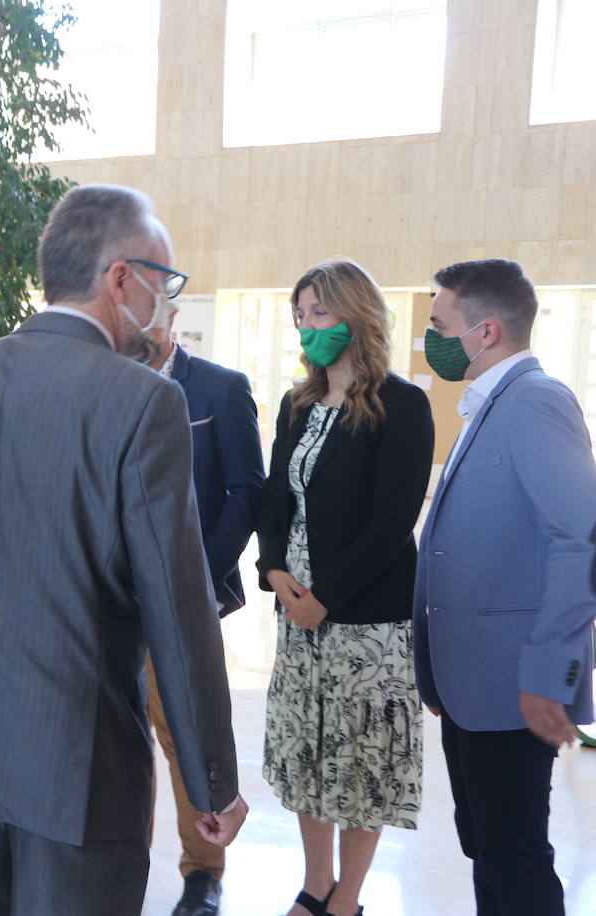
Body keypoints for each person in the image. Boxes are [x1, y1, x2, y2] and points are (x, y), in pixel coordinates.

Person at [0, 183, 247, 913]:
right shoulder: (145, 401)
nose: (165, 302)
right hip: (79, 769)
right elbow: (178, 614)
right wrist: (212, 780)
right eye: (162, 280)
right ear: (120, 279)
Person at [415, 258, 596, 916]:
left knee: (516, 860)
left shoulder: (537, 402)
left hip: (515, 688)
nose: (430, 336)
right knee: (490, 851)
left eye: (439, 323)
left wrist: (552, 673)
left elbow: (581, 538)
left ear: (486, 331)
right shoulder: (489, 404)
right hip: (471, 684)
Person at [256, 258, 433, 916]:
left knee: (361, 760)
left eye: (319, 313)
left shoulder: (403, 406)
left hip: (364, 618)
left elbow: (395, 518)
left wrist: (324, 598)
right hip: (298, 613)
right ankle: (315, 883)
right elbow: (275, 497)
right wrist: (276, 573)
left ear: (356, 315)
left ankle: (347, 900)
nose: (307, 326)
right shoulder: (298, 404)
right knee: (308, 749)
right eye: (300, 315)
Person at [142, 308, 264, 916]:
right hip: (112, 601)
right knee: (117, 738)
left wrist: (196, 579)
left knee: (186, 733)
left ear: (172, 313)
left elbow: (248, 492)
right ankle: (122, 859)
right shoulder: (107, 379)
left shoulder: (220, 387)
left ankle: (203, 873)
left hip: (186, 600)